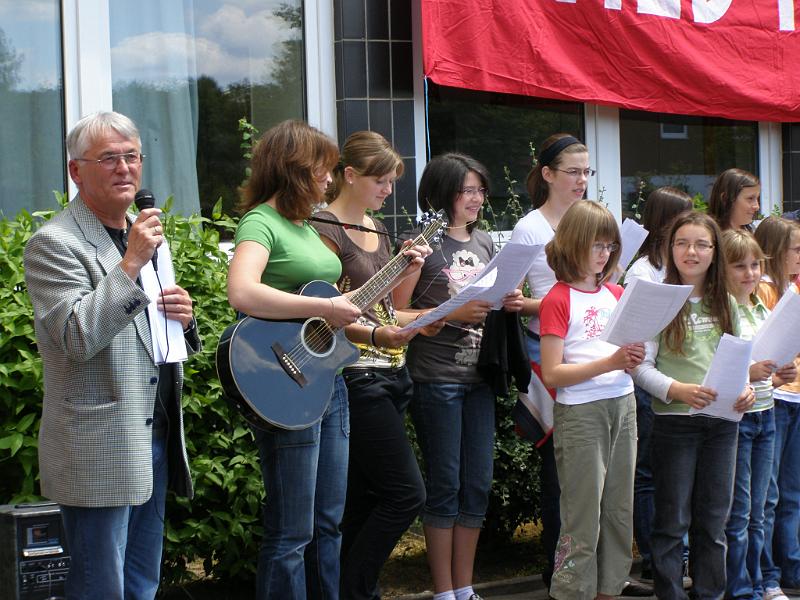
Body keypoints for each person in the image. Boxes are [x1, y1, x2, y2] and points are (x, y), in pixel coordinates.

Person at [226, 120, 427, 599]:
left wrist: (391, 292)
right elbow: (243, 292)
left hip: (328, 378)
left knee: (328, 523)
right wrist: (324, 306)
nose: (328, 178)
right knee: (292, 532)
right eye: (322, 169)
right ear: (296, 170)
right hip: (284, 380)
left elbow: (334, 307)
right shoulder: (261, 221)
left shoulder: (303, 224)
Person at [23, 111, 200, 599]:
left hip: (156, 433)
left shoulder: (143, 235)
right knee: (100, 586)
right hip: (99, 443)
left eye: (132, 156)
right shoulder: (54, 244)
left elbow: (149, 333)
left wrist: (185, 319)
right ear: (76, 171)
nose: (125, 168)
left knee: (142, 583)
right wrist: (130, 264)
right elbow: (76, 336)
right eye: (109, 159)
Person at [393, 153, 524, 600]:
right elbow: (396, 314)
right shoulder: (419, 243)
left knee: (477, 486)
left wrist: (510, 298)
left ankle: (465, 588)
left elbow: (492, 301)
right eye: (467, 190)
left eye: (480, 190)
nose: (476, 198)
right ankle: (444, 591)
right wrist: (452, 314)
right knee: (445, 485)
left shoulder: (486, 242)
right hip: (437, 378)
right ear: (443, 193)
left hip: (480, 377)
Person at [311, 130, 431, 599]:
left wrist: (412, 272)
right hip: (354, 375)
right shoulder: (325, 229)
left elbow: (389, 306)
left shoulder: (376, 231)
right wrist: (384, 328)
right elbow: (327, 308)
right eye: (380, 180)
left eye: (391, 181)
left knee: (363, 499)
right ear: (349, 175)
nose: (387, 190)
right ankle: (358, 591)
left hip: (392, 370)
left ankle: (344, 587)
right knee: (406, 494)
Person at [633, 211, 754, 600]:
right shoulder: (659, 301)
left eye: (702, 244)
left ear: (714, 251)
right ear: (670, 249)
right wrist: (677, 390)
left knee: (713, 523)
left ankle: (710, 594)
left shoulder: (727, 303)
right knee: (672, 522)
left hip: (723, 426)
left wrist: (747, 389)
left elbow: (742, 360)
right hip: (675, 425)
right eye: (682, 242)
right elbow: (640, 368)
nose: (692, 251)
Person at [538, 200, 644, 600]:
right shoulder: (558, 298)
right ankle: (571, 591)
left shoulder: (616, 291)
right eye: (596, 245)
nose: (604, 254)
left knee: (619, 510)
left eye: (609, 246)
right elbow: (552, 373)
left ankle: (610, 589)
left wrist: (629, 360)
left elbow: (625, 355)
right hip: (581, 411)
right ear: (573, 244)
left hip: (623, 402)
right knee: (582, 515)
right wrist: (611, 362)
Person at [508, 133, 590, 590]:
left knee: (593, 470)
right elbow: (510, 299)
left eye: (586, 172)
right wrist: (557, 304)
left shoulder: (590, 220)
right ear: (548, 174)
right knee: (560, 471)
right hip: (549, 355)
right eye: (573, 171)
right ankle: (560, 570)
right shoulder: (531, 228)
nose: (581, 180)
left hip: (594, 353)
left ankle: (592, 567)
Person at [721, 229, 797, 600]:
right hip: (739, 417)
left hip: (766, 410)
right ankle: (741, 586)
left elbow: (767, 361)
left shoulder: (761, 308)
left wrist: (780, 372)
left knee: (764, 503)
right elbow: (719, 369)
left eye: (755, 265)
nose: (750, 273)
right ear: (722, 269)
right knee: (740, 510)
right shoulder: (724, 311)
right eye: (740, 266)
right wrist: (749, 371)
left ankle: (766, 579)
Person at [623, 186, 692, 584]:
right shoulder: (642, 271)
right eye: (681, 219)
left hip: (679, 381)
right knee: (649, 472)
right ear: (664, 224)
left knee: (674, 474)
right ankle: (653, 556)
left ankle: (676, 554)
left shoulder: (682, 267)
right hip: (648, 382)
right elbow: (636, 331)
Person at [754, 216, 800, 600]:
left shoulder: (793, 288)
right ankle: (766, 573)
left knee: (792, 490)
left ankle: (791, 566)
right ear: (776, 251)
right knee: (769, 493)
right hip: (777, 398)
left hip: (796, 396)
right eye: (796, 249)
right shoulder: (766, 291)